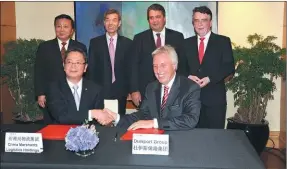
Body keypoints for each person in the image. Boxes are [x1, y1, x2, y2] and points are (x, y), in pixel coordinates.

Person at [103, 45, 201, 131]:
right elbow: (142, 115)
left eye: (163, 65)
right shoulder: (151, 88)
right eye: (155, 66)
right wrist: (117, 117)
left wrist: (154, 123)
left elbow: (191, 119)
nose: (158, 71)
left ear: (174, 65)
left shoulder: (190, 88)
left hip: (180, 144)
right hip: (155, 143)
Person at [182, 6, 235, 129]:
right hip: (191, 100)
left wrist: (210, 78)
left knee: (215, 139)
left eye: (204, 20)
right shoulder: (185, 43)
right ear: (193, 23)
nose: (200, 24)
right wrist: (188, 76)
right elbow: (179, 68)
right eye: (196, 20)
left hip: (215, 100)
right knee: (194, 140)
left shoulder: (223, 41)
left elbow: (229, 66)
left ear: (210, 23)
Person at [34, 14, 87, 124]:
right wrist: (40, 93)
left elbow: (84, 72)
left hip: (74, 93)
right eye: (58, 26)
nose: (61, 29)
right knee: (51, 126)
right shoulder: (44, 47)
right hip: (51, 94)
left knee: (74, 123)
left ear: (72, 30)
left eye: (65, 26)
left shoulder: (80, 47)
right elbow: (39, 71)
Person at [129, 3, 185, 108]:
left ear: (164, 18)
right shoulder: (139, 39)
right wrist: (134, 90)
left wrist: (181, 88)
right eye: (151, 18)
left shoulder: (177, 37)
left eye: (158, 17)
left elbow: (182, 65)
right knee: (148, 122)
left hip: (172, 91)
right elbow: (133, 66)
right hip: (145, 91)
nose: (155, 21)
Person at [46, 48, 109, 124]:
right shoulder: (54, 88)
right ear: (64, 65)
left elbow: (98, 121)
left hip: (89, 134)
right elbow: (61, 116)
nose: (73, 66)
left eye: (78, 63)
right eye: (69, 62)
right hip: (61, 133)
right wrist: (91, 114)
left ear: (85, 67)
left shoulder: (95, 89)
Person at [87, 9, 132, 116]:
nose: (110, 23)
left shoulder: (128, 43)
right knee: (100, 122)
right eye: (107, 20)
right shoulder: (95, 43)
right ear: (104, 23)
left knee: (118, 122)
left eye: (114, 20)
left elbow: (130, 69)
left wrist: (131, 90)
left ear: (119, 23)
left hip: (120, 91)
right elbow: (91, 69)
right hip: (99, 91)